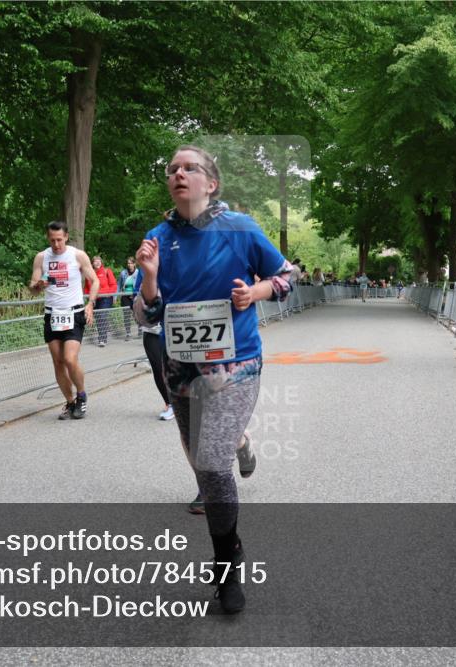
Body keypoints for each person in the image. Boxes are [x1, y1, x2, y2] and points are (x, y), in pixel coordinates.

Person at [133, 144, 291, 613]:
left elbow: (287, 275)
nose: (179, 174)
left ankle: (227, 560)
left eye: (190, 168)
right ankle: (240, 440)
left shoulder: (241, 228)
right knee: (201, 457)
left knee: (211, 465)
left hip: (236, 364)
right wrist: (148, 280)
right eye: (172, 169)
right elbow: (146, 316)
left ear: (211, 182)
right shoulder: (157, 237)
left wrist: (256, 291)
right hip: (180, 368)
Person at [28, 221, 99, 420]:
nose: (56, 244)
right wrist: (38, 286)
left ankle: (82, 395)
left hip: (74, 313)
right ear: (47, 238)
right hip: (52, 315)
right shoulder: (41, 257)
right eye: (52, 240)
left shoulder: (78, 255)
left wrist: (90, 304)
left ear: (66, 237)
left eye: (59, 240)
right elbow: (32, 288)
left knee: (70, 359)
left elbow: (95, 281)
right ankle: (70, 402)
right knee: (58, 362)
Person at [85, 256, 117, 347]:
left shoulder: (107, 271)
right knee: (99, 318)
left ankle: (102, 339)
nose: (97, 262)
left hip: (106, 298)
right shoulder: (89, 274)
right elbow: (86, 289)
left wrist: (104, 293)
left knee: (102, 316)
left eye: (99, 261)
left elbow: (113, 285)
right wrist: (90, 298)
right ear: (92, 263)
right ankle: (102, 336)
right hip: (95, 300)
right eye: (95, 261)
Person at [118, 256, 139, 340]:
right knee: (126, 315)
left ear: (134, 264)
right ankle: (128, 333)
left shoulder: (138, 272)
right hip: (125, 296)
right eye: (128, 263)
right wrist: (115, 296)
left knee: (136, 314)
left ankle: (140, 330)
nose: (129, 265)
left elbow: (141, 284)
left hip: (135, 296)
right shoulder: (123, 273)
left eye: (131, 263)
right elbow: (119, 284)